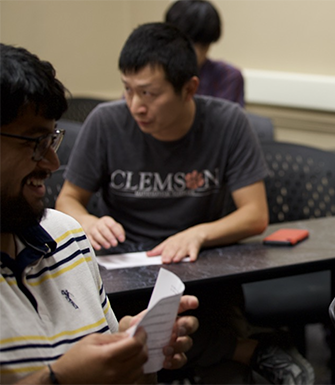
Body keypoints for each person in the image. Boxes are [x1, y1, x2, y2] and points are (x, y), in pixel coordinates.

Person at [55, 23, 313, 385]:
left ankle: (235, 348)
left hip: (203, 271)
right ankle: (249, 347)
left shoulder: (227, 123)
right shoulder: (105, 123)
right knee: (122, 342)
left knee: (217, 365)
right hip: (126, 274)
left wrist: (199, 234)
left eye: (149, 93)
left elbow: (255, 215)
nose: (135, 106)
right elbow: (68, 199)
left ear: (189, 88)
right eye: (128, 90)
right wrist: (88, 220)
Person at [0, 43, 199, 385]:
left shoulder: (67, 237)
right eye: (34, 143)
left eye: (52, 140)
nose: (52, 163)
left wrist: (129, 348)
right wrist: (61, 379)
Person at [165, 0, 245, 107]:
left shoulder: (227, 77)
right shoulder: (157, 74)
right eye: (189, 43)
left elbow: (224, 122)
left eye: (204, 45)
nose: (196, 53)